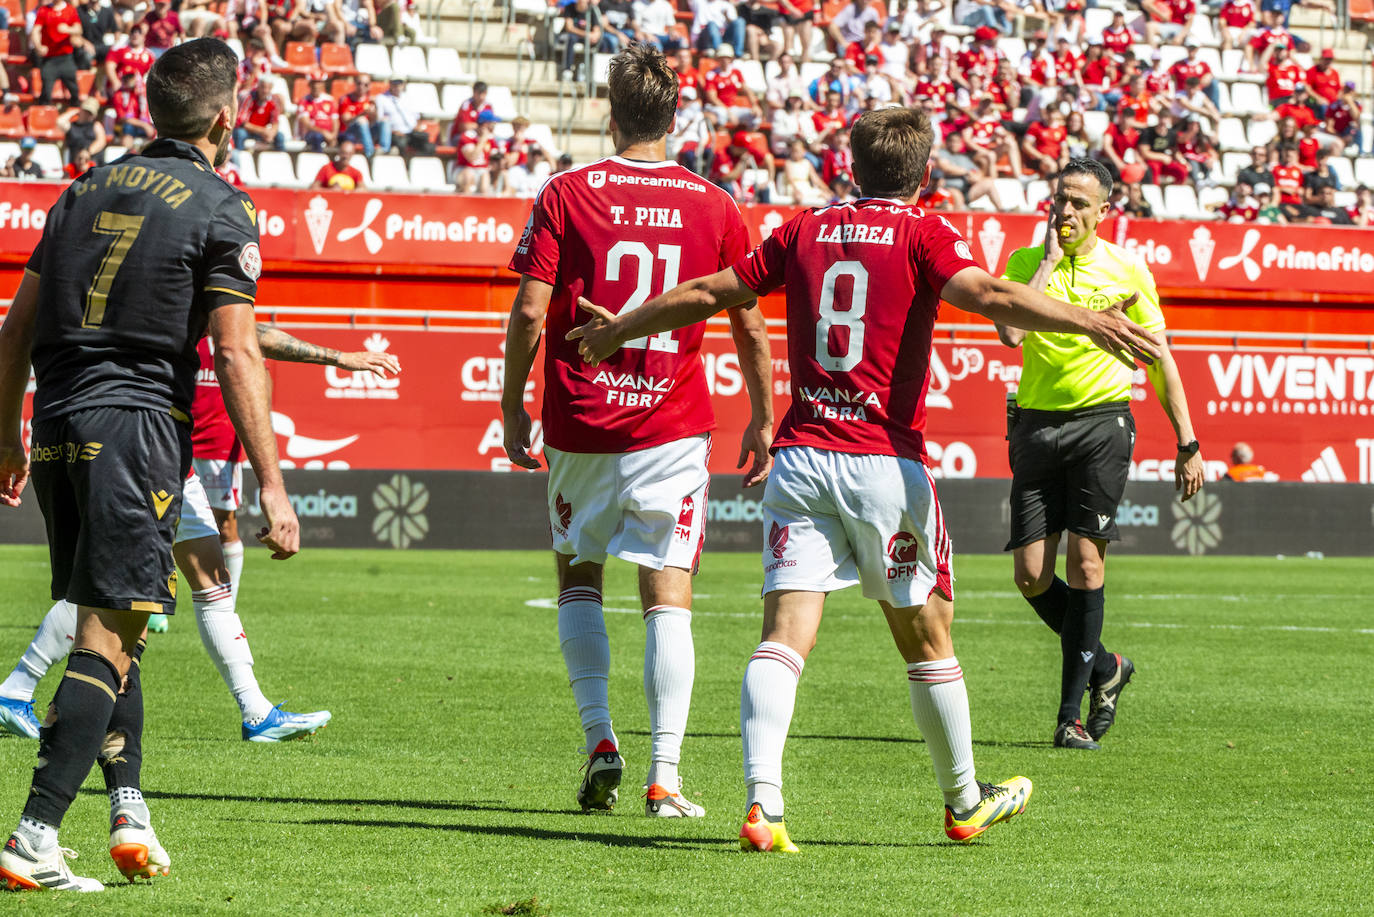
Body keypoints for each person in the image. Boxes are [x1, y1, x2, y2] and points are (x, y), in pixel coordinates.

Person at [568, 107, 1163, 851]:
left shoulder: (804, 228)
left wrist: (616, 328)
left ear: (852, 166)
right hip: (883, 459)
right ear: (923, 175)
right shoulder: (923, 231)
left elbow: (707, 293)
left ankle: (764, 804)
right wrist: (1091, 321)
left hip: (803, 457)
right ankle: (964, 799)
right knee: (929, 633)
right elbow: (998, 298)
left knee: (784, 634)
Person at [0, 38, 299, 892]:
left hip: (56, 421)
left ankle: (128, 809)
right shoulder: (221, 203)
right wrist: (273, 482)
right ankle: (33, 834)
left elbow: (13, 334)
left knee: (115, 624)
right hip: (134, 431)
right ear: (225, 116)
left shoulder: (78, 191)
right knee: (109, 633)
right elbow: (238, 355)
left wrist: (5, 436)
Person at [501, 43, 773, 819]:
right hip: (671, 426)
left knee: (577, 574)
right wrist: (763, 414)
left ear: (610, 113)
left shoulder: (566, 191)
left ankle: (599, 740)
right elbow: (749, 324)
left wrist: (510, 401)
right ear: (675, 116)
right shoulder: (716, 204)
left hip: (580, 420)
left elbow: (529, 310)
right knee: (668, 593)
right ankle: (664, 777)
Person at [0, 325, 399, 743]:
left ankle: (256, 712)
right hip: (139, 442)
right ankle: (18, 690)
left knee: (211, 578)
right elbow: (241, 335)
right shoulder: (172, 276)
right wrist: (339, 359)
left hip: (156, 447)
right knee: (107, 589)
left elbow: (244, 330)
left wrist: (338, 358)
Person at [994, 158, 1205, 752]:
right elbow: (1009, 334)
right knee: (1032, 576)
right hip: (1034, 426)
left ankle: (1069, 718)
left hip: (1102, 425)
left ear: (1103, 212)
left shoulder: (1127, 268)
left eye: (1080, 203)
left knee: (1087, 566)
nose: (1066, 211)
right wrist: (1049, 266)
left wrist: (1187, 441)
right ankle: (1108, 666)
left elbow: (1159, 359)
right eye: (1060, 200)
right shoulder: (1023, 262)